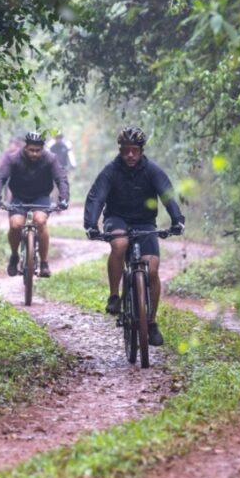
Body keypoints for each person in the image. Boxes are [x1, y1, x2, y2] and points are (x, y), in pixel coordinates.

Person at [83, 126, 185, 346]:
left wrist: (177, 219)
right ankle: (114, 297)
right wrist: (91, 224)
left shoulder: (152, 171)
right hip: (116, 218)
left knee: (153, 270)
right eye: (126, 150)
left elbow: (167, 194)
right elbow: (97, 197)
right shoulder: (111, 171)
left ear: (141, 151)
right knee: (119, 245)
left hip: (145, 222)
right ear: (120, 150)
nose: (130, 155)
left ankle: (151, 322)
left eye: (134, 150)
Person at [0, 131, 70, 278]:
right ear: (25, 147)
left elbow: (61, 179)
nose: (34, 154)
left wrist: (64, 199)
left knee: (40, 221)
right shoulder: (13, 158)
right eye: (31, 150)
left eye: (38, 151)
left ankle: (44, 263)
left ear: (43, 149)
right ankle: (14, 256)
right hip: (19, 197)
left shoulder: (50, 159)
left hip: (41, 197)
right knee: (15, 225)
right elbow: (0, 178)